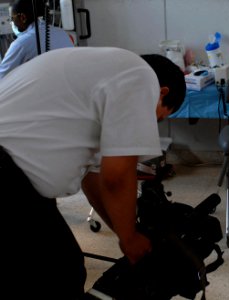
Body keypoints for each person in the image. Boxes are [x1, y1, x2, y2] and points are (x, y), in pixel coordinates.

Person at [0, 47, 186, 299]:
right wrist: (129, 238)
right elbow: (117, 177)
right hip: (8, 169)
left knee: (60, 265)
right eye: (159, 117)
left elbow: (94, 179)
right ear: (162, 93)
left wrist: (126, 232)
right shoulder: (142, 79)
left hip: (15, 171)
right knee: (59, 272)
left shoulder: (107, 74)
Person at [0, 0, 73, 79]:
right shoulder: (61, 32)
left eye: (12, 18)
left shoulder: (21, 44)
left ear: (22, 17)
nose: (12, 22)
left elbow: (2, 77)